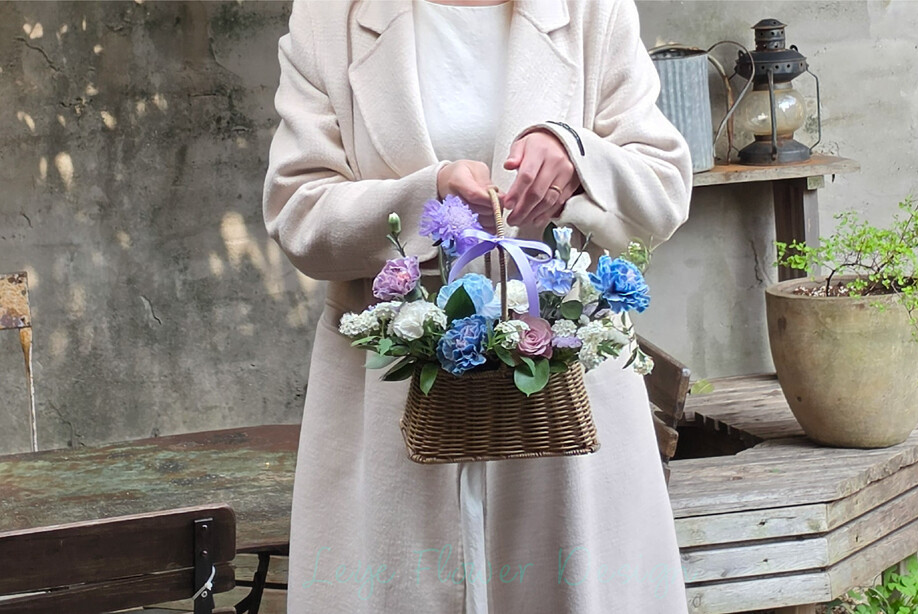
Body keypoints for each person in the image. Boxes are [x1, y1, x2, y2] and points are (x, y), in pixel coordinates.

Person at [263, 0, 693, 612]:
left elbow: (664, 191)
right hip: (392, 413)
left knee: (565, 589)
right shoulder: (329, 18)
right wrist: (428, 197)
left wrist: (578, 158)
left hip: (565, 409)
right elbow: (298, 212)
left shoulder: (592, 10)